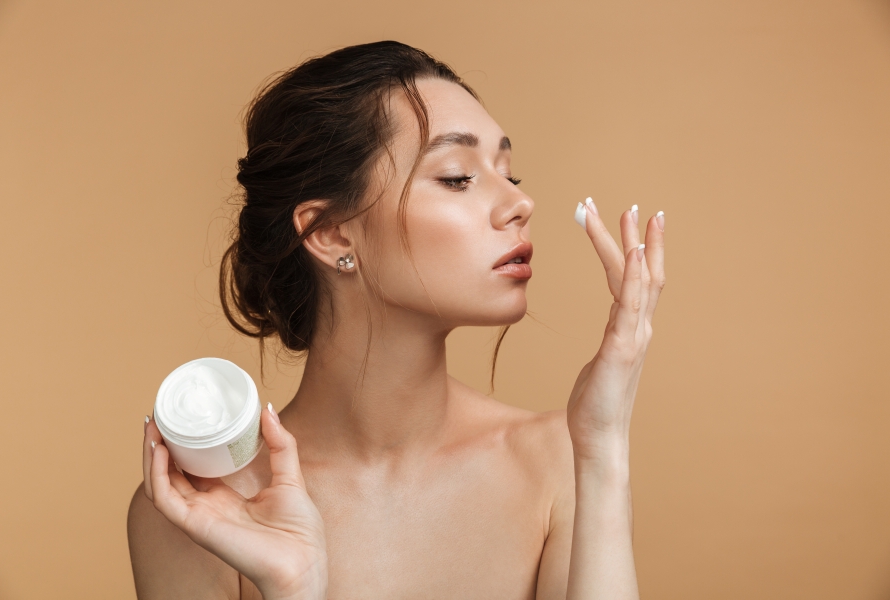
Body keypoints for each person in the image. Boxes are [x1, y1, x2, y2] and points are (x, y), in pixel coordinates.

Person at [127, 40, 666, 600]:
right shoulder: (205, 511)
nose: (518, 203)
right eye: (457, 177)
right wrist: (293, 588)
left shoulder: (563, 461)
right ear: (330, 233)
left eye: (510, 174)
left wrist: (602, 449)